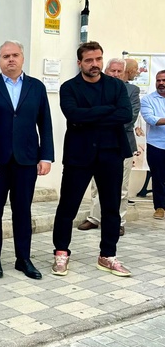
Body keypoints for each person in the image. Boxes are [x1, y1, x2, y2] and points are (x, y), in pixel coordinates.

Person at [52, 41, 133, 277]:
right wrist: (108, 111)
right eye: (89, 60)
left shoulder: (116, 86)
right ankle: (61, 252)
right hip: (79, 155)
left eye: (98, 59)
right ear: (80, 63)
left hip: (111, 153)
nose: (95, 64)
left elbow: (125, 115)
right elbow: (74, 115)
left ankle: (107, 255)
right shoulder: (69, 88)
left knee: (111, 208)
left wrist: (89, 117)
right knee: (67, 207)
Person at [0, 41, 54, 280]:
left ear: (22, 58)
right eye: (5, 56)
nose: (10, 59)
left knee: (22, 210)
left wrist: (46, 156)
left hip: (27, 160)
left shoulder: (36, 88)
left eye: (15, 55)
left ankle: (23, 258)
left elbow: (45, 123)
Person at [78, 58, 140, 236]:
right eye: (112, 71)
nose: (115, 74)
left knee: (120, 186)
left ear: (125, 73)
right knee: (96, 185)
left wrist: (101, 120)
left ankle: (118, 221)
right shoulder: (99, 87)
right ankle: (94, 218)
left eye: (119, 71)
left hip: (122, 145)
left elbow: (129, 118)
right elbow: (89, 115)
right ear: (106, 71)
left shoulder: (132, 91)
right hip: (97, 144)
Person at [140, 69, 165, 220]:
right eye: (158, 80)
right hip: (156, 145)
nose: (161, 83)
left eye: (164, 80)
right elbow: (151, 119)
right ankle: (160, 207)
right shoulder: (147, 100)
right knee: (158, 178)